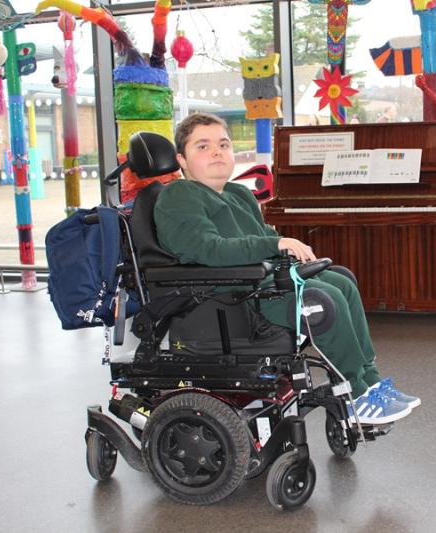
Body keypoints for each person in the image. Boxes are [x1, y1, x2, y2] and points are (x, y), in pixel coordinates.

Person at [154, 113, 419, 425]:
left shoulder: (237, 193)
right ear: (181, 159)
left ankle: (370, 381)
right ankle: (354, 395)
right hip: (228, 296)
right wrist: (276, 245)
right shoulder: (178, 196)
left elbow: (265, 238)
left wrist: (289, 255)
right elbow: (207, 249)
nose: (217, 152)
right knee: (323, 298)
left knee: (342, 280)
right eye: (203, 146)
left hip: (260, 280)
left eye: (223, 144)